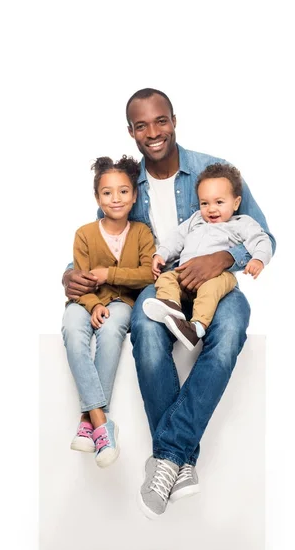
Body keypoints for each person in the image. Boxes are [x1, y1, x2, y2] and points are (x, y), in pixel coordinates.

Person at [62, 88, 276, 518]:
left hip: (218, 282)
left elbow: (263, 237)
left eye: (161, 121)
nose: (153, 132)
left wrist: (223, 257)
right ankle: (181, 461)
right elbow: (109, 235)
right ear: (131, 132)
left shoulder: (213, 172)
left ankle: (167, 457)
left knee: (232, 329)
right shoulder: (129, 184)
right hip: (163, 285)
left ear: (174, 120)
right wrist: (70, 272)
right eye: (142, 126)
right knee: (144, 327)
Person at [62, 155, 155, 469]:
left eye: (123, 191)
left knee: (113, 330)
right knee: (73, 331)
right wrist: (93, 304)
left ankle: (87, 421)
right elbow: (82, 277)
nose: (116, 199)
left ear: (134, 195)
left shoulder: (142, 233)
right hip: (84, 302)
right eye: (107, 193)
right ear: (96, 197)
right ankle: (102, 421)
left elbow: (147, 274)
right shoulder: (85, 234)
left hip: (121, 304)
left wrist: (110, 275)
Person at [142, 162, 273, 351]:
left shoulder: (241, 224)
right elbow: (176, 238)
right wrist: (161, 254)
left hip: (218, 276)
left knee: (210, 290)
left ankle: (196, 327)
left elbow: (262, 240)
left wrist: (258, 259)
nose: (211, 209)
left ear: (236, 203)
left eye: (219, 202)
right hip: (185, 274)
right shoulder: (196, 220)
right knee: (165, 278)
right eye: (205, 203)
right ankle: (171, 307)